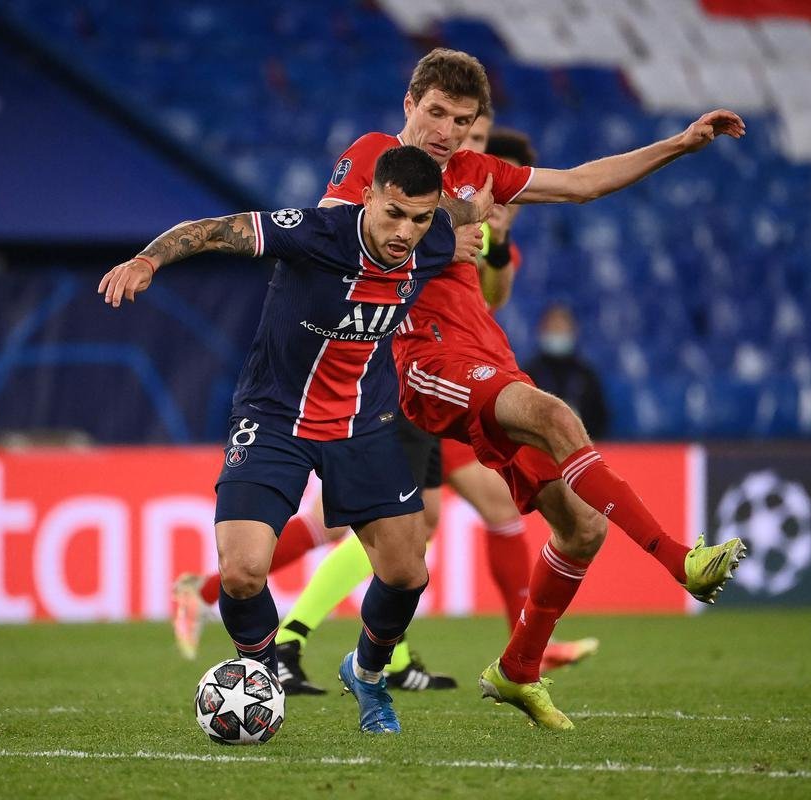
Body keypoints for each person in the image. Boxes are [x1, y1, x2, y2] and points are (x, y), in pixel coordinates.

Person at [320, 48, 748, 730]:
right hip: (425, 359)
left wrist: (680, 143)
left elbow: (580, 183)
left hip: (490, 358)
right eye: (435, 113)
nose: (447, 131)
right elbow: (331, 244)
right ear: (409, 105)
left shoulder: (475, 173)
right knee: (549, 416)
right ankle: (679, 559)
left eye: (462, 120)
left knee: (582, 529)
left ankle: (517, 669)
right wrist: (446, 233)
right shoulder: (373, 158)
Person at [99, 145, 490, 734]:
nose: (405, 232)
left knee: (408, 572)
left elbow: (466, 211)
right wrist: (148, 262)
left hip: (365, 422)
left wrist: (478, 209)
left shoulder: (434, 233)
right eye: (393, 213)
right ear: (368, 197)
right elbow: (208, 231)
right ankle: (259, 676)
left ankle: (368, 674)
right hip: (275, 415)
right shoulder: (315, 232)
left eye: (419, 218)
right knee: (241, 572)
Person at [267, 122, 597, 697]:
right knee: (376, 522)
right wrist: (444, 226)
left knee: (421, 522)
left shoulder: (482, 226)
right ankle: (293, 633)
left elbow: (492, 295)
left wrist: (490, 238)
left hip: (449, 372)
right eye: (463, 130)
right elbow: (350, 243)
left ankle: (383, 654)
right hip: (401, 370)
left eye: (475, 132)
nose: (462, 143)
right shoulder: (406, 194)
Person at [524, 303, 611, 439]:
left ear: (574, 331)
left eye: (561, 328)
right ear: (542, 330)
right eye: (553, 328)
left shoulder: (586, 374)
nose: (557, 332)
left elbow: (600, 418)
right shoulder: (529, 372)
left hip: (584, 446)